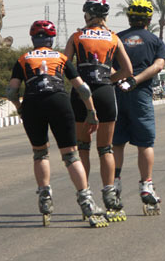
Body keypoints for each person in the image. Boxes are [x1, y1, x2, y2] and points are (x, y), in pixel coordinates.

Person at [6, 20, 109, 228]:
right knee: (71, 155)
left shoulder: (24, 59)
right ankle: (87, 202)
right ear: (51, 40)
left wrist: (19, 107)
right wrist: (91, 112)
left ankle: (44, 198)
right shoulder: (61, 58)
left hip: (33, 103)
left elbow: (11, 91)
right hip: (59, 102)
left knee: (40, 152)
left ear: (33, 39)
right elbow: (84, 89)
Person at [64, 0, 133, 222]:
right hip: (105, 93)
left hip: (81, 94)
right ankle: (110, 196)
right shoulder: (113, 38)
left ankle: (86, 197)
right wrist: (108, 80)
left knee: (82, 147)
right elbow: (128, 70)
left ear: (87, 15)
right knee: (106, 149)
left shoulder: (76, 37)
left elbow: (65, 66)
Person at [112, 0, 165, 216]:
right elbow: (158, 65)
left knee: (116, 142)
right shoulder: (155, 40)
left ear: (129, 17)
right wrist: (135, 80)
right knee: (145, 142)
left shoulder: (116, 38)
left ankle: (114, 184)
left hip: (116, 94)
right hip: (140, 95)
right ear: (150, 19)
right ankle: (146, 185)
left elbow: (105, 66)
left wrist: (118, 80)